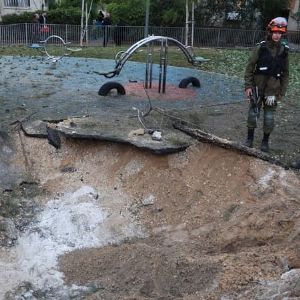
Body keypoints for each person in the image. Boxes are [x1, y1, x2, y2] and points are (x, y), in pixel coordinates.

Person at [244, 17, 289, 152]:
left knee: (269, 117)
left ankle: (265, 142)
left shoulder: (284, 50)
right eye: (275, 32)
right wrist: (248, 86)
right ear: (270, 32)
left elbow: (286, 74)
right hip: (257, 88)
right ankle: (249, 139)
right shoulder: (261, 47)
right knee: (253, 114)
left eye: (280, 33)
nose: (277, 35)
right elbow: (249, 67)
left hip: (272, 91)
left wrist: (281, 92)